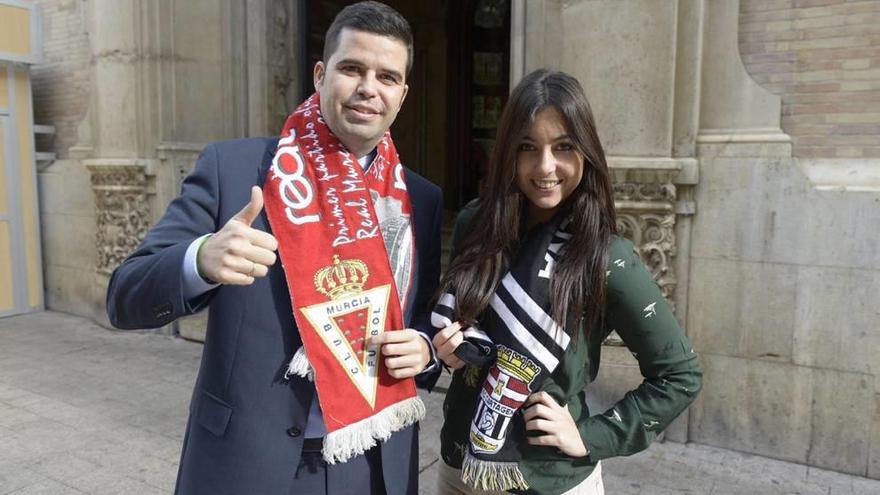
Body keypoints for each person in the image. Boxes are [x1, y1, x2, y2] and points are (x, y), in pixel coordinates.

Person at [106, 2, 443, 494]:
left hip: (370, 464)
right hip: (247, 463)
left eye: (387, 76)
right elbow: (124, 295)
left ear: (403, 93)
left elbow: (422, 324)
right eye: (352, 69)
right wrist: (200, 259)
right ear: (320, 73)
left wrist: (426, 351)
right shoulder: (234, 169)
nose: (369, 88)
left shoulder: (421, 199)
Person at [430, 69, 702, 495]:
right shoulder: (475, 225)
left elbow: (680, 375)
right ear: (507, 154)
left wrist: (590, 436)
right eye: (527, 148)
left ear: (586, 153)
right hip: (459, 469)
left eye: (563, 147)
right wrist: (447, 349)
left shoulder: (606, 257)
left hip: (549, 480)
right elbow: (458, 334)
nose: (545, 167)